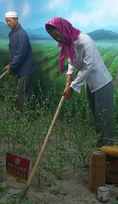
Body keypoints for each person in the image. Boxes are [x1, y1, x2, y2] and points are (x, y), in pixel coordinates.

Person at [45, 17, 114, 147]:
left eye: (58, 36)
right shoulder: (69, 43)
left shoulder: (85, 41)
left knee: (104, 123)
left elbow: (87, 66)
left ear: (64, 29)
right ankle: (99, 158)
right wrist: (69, 74)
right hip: (91, 86)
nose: (58, 40)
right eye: (54, 38)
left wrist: (72, 87)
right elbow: (72, 60)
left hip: (102, 84)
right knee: (98, 122)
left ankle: (106, 157)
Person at [4, 11, 36, 115]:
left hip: (25, 70)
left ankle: (24, 119)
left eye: (10, 21)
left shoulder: (22, 34)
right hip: (20, 69)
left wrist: (11, 65)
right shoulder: (13, 33)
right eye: (7, 21)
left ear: (16, 19)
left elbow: (20, 54)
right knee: (22, 94)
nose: (8, 23)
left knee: (23, 95)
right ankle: (23, 116)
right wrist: (11, 66)